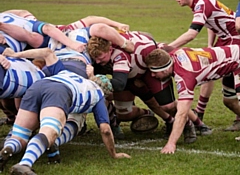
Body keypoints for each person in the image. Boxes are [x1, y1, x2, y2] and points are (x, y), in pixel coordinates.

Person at [0, 47, 131, 174]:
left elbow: (47, 52)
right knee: (48, 133)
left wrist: (16, 54)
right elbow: (105, 129)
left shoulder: (70, 73)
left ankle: (8, 148)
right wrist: (114, 154)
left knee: (20, 135)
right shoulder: (98, 94)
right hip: (59, 93)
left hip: (38, 86)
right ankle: (25, 164)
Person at [87, 33, 212, 141]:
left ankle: (194, 123)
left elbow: (119, 84)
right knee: (123, 113)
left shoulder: (121, 55)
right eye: (95, 58)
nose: (97, 61)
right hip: (128, 74)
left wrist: (95, 80)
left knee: (167, 105)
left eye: (100, 57)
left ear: (110, 49)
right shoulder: (102, 48)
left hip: (147, 69)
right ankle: (162, 119)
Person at [145, 44, 240, 154]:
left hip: (236, 61)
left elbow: (182, 114)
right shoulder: (172, 55)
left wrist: (171, 143)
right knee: (230, 102)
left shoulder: (185, 76)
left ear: (165, 70)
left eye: (155, 72)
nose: (152, 75)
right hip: (232, 61)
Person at [169, 0, 240, 131]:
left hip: (234, 39)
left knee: (232, 86)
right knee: (212, 70)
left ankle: (200, 113)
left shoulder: (201, 3)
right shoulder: (201, 0)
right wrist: (209, 45)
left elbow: (191, 34)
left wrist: (168, 48)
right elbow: (210, 21)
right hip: (226, 38)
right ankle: (200, 112)